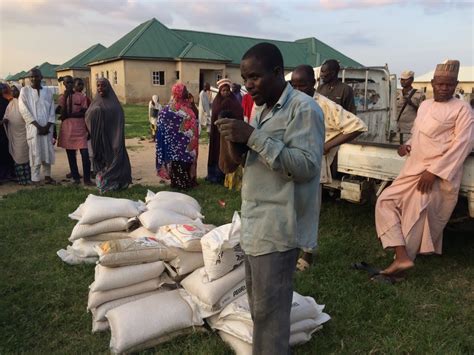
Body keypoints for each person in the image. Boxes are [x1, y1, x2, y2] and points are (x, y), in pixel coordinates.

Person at [216, 42, 324, 354]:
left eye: (255, 77)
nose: (248, 85)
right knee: (261, 310)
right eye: (244, 78)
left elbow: (305, 166)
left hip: (279, 227)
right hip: (255, 223)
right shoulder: (262, 109)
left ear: (278, 73)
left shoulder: (304, 110)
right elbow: (248, 160)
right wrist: (235, 139)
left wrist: (251, 136)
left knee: (270, 314)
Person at [375, 60, 474, 276]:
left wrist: (434, 172)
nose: (444, 88)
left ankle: (401, 265)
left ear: (456, 84)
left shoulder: (463, 109)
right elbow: (420, 133)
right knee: (385, 201)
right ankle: (402, 256)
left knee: (415, 215)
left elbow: (463, 145)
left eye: (449, 85)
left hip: (437, 174)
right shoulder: (426, 105)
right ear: (432, 83)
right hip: (413, 168)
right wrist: (408, 145)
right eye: (440, 84)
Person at [290, 64, 368, 270]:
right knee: (290, 208)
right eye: (294, 85)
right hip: (291, 162)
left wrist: (327, 145)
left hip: (312, 165)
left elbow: (357, 125)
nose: (298, 90)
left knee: (309, 210)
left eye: (303, 85)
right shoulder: (290, 101)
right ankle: (289, 249)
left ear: (313, 83)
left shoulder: (324, 105)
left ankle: (307, 253)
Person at [85, 78, 132, 193]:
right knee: (102, 160)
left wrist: (117, 140)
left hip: (114, 138)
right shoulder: (95, 102)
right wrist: (96, 112)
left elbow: (119, 121)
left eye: (103, 85)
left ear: (108, 87)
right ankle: (104, 183)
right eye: (98, 85)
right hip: (100, 140)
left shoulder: (115, 104)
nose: (100, 88)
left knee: (116, 156)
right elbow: (88, 116)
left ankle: (118, 182)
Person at [155, 83, 198, 190]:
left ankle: (178, 184)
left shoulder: (166, 110)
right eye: (184, 91)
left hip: (175, 146)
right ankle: (183, 184)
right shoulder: (186, 110)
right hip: (185, 146)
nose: (186, 93)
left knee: (178, 164)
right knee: (182, 164)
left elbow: (160, 125)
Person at [18, 68, 56, 185]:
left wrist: (47, 125)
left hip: (47, 128)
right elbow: (23, 110)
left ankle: (48, 176)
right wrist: (38, 126)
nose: (33, 78)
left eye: (36, 76)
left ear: (41, 77)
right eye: (31, 77)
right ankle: (35, 178)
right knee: (35, 152)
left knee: (47, 151)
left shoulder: (48, 92)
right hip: (34, 128)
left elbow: (52, 109)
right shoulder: (25, 91)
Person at [57, 76, 92, 185]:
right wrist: (67, 97)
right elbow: (62, 114)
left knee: (85, 154)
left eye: (72, 82)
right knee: (71, 155)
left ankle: (87, 179)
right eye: (68, 83)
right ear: (64, 84)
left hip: (80, 128)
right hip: (67, 129)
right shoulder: (62, 98)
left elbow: (84, 112)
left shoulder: (80, 96)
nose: (70, 84)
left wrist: (70, 114)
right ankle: (75, 177)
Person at [206, 78, 234, 184]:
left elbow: (238, 114)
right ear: (220, 91)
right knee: (217, 152)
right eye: (223, 90)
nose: (226, 92)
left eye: (227, 90)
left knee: (228, 152)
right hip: (217, 135)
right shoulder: (216, 102)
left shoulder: (234, 102)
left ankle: (227, 177)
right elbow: (215, 117)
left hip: (229, 133)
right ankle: (215, 175)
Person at [2, 84, 30, 184]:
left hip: (24, 134)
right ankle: (21, 180)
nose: (13, 92)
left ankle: (28, 179)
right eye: (12, 91)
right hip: (14, 135)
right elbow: (7, 115)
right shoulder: (11, 103)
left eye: (15, 90)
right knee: (17, 156)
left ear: (20, 91)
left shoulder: (25, 102)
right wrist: (4, 120)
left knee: (25, 155)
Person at [396, 70, 425, 139]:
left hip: (410, 130)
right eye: (402, 79)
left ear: (411, 80)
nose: (403, 81)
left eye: (405, 80)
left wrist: (412, 104)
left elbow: (423, 112)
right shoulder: (397, 93)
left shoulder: (419, 94)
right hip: (396, 128)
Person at [0, 83, 15, 182]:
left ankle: (8, 174)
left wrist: (5, 120)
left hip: (5, 131)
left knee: (6, 151)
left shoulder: (6, 102)